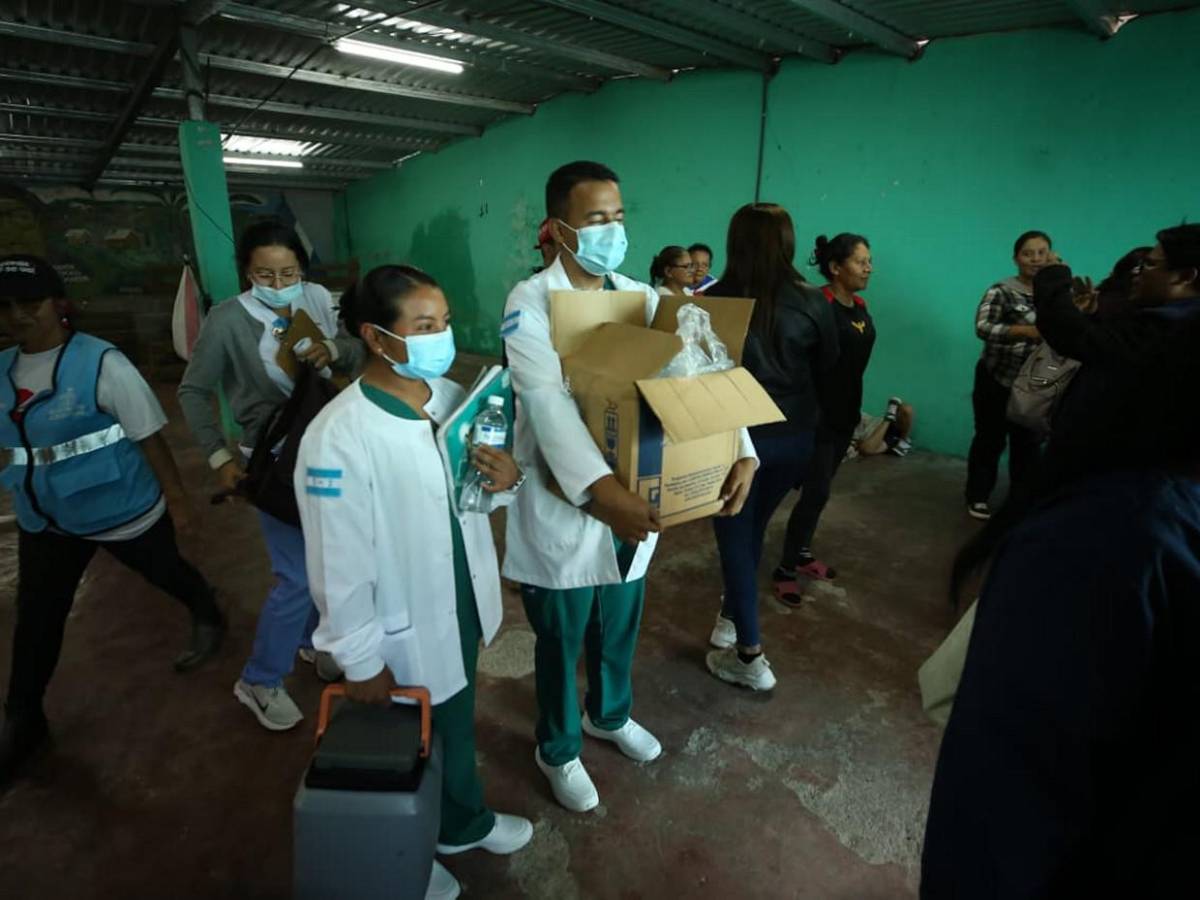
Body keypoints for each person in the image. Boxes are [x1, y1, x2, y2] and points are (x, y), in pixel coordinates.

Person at [501, 161, 757, 811]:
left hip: (638, 494)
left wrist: (741, 449)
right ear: (559, 228)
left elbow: (704, 371)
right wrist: (600, 492)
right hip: (567, 503)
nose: (611, 230)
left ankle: (608, 716)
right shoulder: (530, 302)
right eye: (595, 219)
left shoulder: (640, 297)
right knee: (561, 638)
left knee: (618, 622)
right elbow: (546, 400)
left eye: (617, 216)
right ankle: (558, 747)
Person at [295, 264, 533, 900]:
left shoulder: (453, 400)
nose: (442, 337)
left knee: (453, 721)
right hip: (395, 620)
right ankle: (403, 850)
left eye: (445, 322)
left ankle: (460, 824)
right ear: (376, 337)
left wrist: (506, 480)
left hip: (457, 592)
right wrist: (358, 657)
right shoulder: (337, 436)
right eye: (424, 326)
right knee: (410, 739)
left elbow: (471, 496)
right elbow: (336, 562)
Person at [0, 255, 224, 787]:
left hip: (119, 507)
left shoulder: (101, 363)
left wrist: (179, 502)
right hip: (46, 518)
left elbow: (150, 437)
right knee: (38, 618)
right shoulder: (2, 367)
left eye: (29, 303)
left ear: (58, 303)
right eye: (4, 307)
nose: (17, 316)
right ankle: (24, 720)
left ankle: (207, 610)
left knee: (165, 570)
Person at [178, 220, 363, 732]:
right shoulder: (228, 320)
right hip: (275, 462)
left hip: (329, 448)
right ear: (247, 272)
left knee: (325, 562)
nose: (280, 284)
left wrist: (334, 350)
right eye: (266, 274)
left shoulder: (318, 299)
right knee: (296, 575)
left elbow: (355, 348)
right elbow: (193, 391)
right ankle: (260, 679)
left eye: (289, 273)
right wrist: (219, 458)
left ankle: (309, 641)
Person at [705, 204, 838, 688]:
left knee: (736, 540)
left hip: (735, 442)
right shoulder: (813, 302)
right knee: (752, 529)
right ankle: (729, 616)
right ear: (788, 242)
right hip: (794, 438)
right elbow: (829, 369)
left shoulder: (711, 302)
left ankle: (749, 657)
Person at [775, 234, 874, 591]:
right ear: (835, 267)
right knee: (814, 492)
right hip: (816, 417)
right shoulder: (817, 305)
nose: (868, 268)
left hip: (845, 414)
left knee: (820, 492)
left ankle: (801, 553)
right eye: (860, 261)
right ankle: (785, 570)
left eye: (869, 261)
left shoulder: (859, 305)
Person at [963, 230, 1050, 521]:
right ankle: (978, 496)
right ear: (1016, 259)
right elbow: (983, 327)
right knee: (990, 439)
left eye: (1042, 252)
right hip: (996, 378)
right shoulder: (1001, 290)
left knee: (1027, 445)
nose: (1036, 259)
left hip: (1035, 385)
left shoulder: (1057, 294)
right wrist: (1025, 331)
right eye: (1028, 253)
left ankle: (1019, 503)